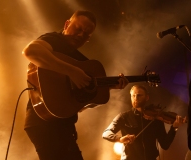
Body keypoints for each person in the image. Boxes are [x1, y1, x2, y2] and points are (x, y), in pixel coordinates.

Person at [22, 10, 128, 160]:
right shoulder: (54, 40)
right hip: (43, 120)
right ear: (66, 24)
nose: (80, 35)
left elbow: (78, 105)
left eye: (86, 34)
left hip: (63, 125)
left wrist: (109, 86)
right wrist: (72, 72)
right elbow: (31, 51)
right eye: (78, 29)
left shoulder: (81, 61)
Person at [102, 85, 186, 160]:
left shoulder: (156, 118)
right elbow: (106, 133)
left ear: (147, 97)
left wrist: (174, 127)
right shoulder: (124, 117)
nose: (136, 98)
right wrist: (119, 139)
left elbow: (165, 144)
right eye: (133, 95)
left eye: (139, 95)